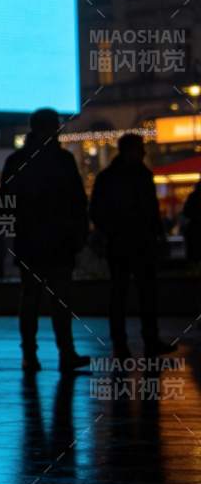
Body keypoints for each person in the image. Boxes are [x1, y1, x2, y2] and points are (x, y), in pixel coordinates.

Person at [0, 108, 90, 373]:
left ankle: (30, 354)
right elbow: (77, 201)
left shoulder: (16, 160)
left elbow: (5, 202)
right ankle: (66, 353)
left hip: (29, 239)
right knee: (60, 299)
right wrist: (79, 232)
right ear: (52, 128)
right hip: (60, 240)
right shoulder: (63, 160)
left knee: (30, 298)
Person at [89, 133, 175, 359]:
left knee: (120, 294)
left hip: (121, 242)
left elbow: (96, 210)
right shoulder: (142, 175)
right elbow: (151, 209)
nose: (144, 152)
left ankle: (122, 344)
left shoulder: (108, 177)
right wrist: (158, 234)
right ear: (132, 151)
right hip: (138, 241)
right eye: (141, 148)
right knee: (144, 293)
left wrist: (110, 230)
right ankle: (149, 340)